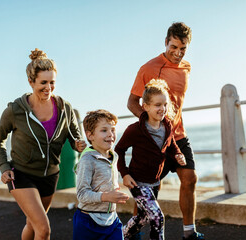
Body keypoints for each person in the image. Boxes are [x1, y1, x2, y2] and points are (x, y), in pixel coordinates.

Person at [0, 48, 87, 240]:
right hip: (21, 174)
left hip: (50, 175)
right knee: (44, 229)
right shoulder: (15, 110)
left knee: (32, 224)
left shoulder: (64, 107)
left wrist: (78, 144)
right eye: (43, 83)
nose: (48, 88)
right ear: (31, 82)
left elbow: (74, 134)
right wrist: (3, 167)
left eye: (52, 82)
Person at [127, 22, 204, 240]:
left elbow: (177, 103)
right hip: (155, 140)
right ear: (166, 42)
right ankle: (134, 233)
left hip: (178, 136)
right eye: (174, 47)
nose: (178, 53)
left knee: (190, 178)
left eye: (183, 49)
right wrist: (150, 125)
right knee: (148, 192)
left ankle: (189, 232)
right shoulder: (148, 68)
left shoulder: (186, 68)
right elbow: (132, 102)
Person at [116, 79, 186, 240]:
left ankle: (120, 236)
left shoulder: (167, 125)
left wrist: (178, 154)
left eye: (165, 104)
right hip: (137, 181)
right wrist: (124, 173)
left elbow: (171, 144)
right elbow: (119, 150)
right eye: (157, 105)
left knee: (143, 217)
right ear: (145, 106)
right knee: (157, 217)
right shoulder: (135, 130)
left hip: (154, 181)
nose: (162, 109)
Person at [73, 109, 129, 240]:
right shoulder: (87, 160)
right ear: (90, 135)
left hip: (111, 219)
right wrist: (106, 196)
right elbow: (81, 194)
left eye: (113, 130)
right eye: (104, 130)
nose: (110, 134)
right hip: (88, 221)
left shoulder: (113, 156)